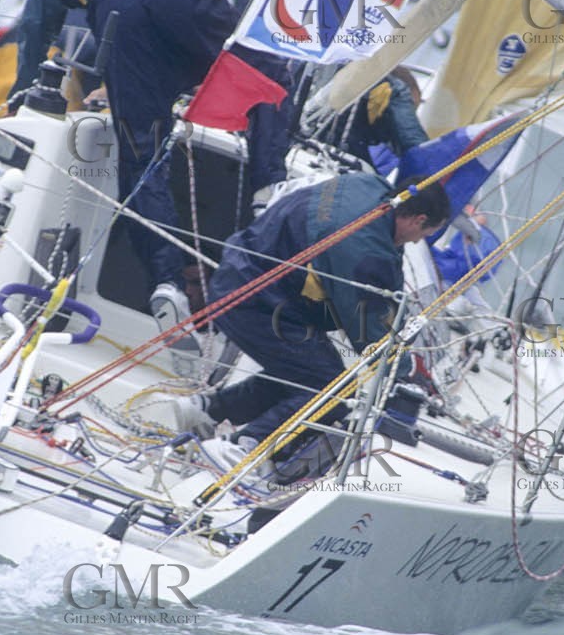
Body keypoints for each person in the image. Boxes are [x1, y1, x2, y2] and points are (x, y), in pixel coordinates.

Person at [12, 0, 291, 326]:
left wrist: (23, 88)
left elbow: (37, 18)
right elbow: (183, 8)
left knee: (142, 152)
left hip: (120, 15)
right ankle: (268, 187)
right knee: (263, 66)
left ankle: (167, 281)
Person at [168, 172, 450, 473]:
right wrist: (402, 370)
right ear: (418, 220)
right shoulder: (364, 248)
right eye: (425, 233)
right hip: (256, 301)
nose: (420, 240)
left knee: (310, 373)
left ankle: (206, 411)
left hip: (245, 276)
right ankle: (243, 447)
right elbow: (369, 327)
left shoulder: (367, 186)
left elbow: (383, 287)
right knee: (333, 389)